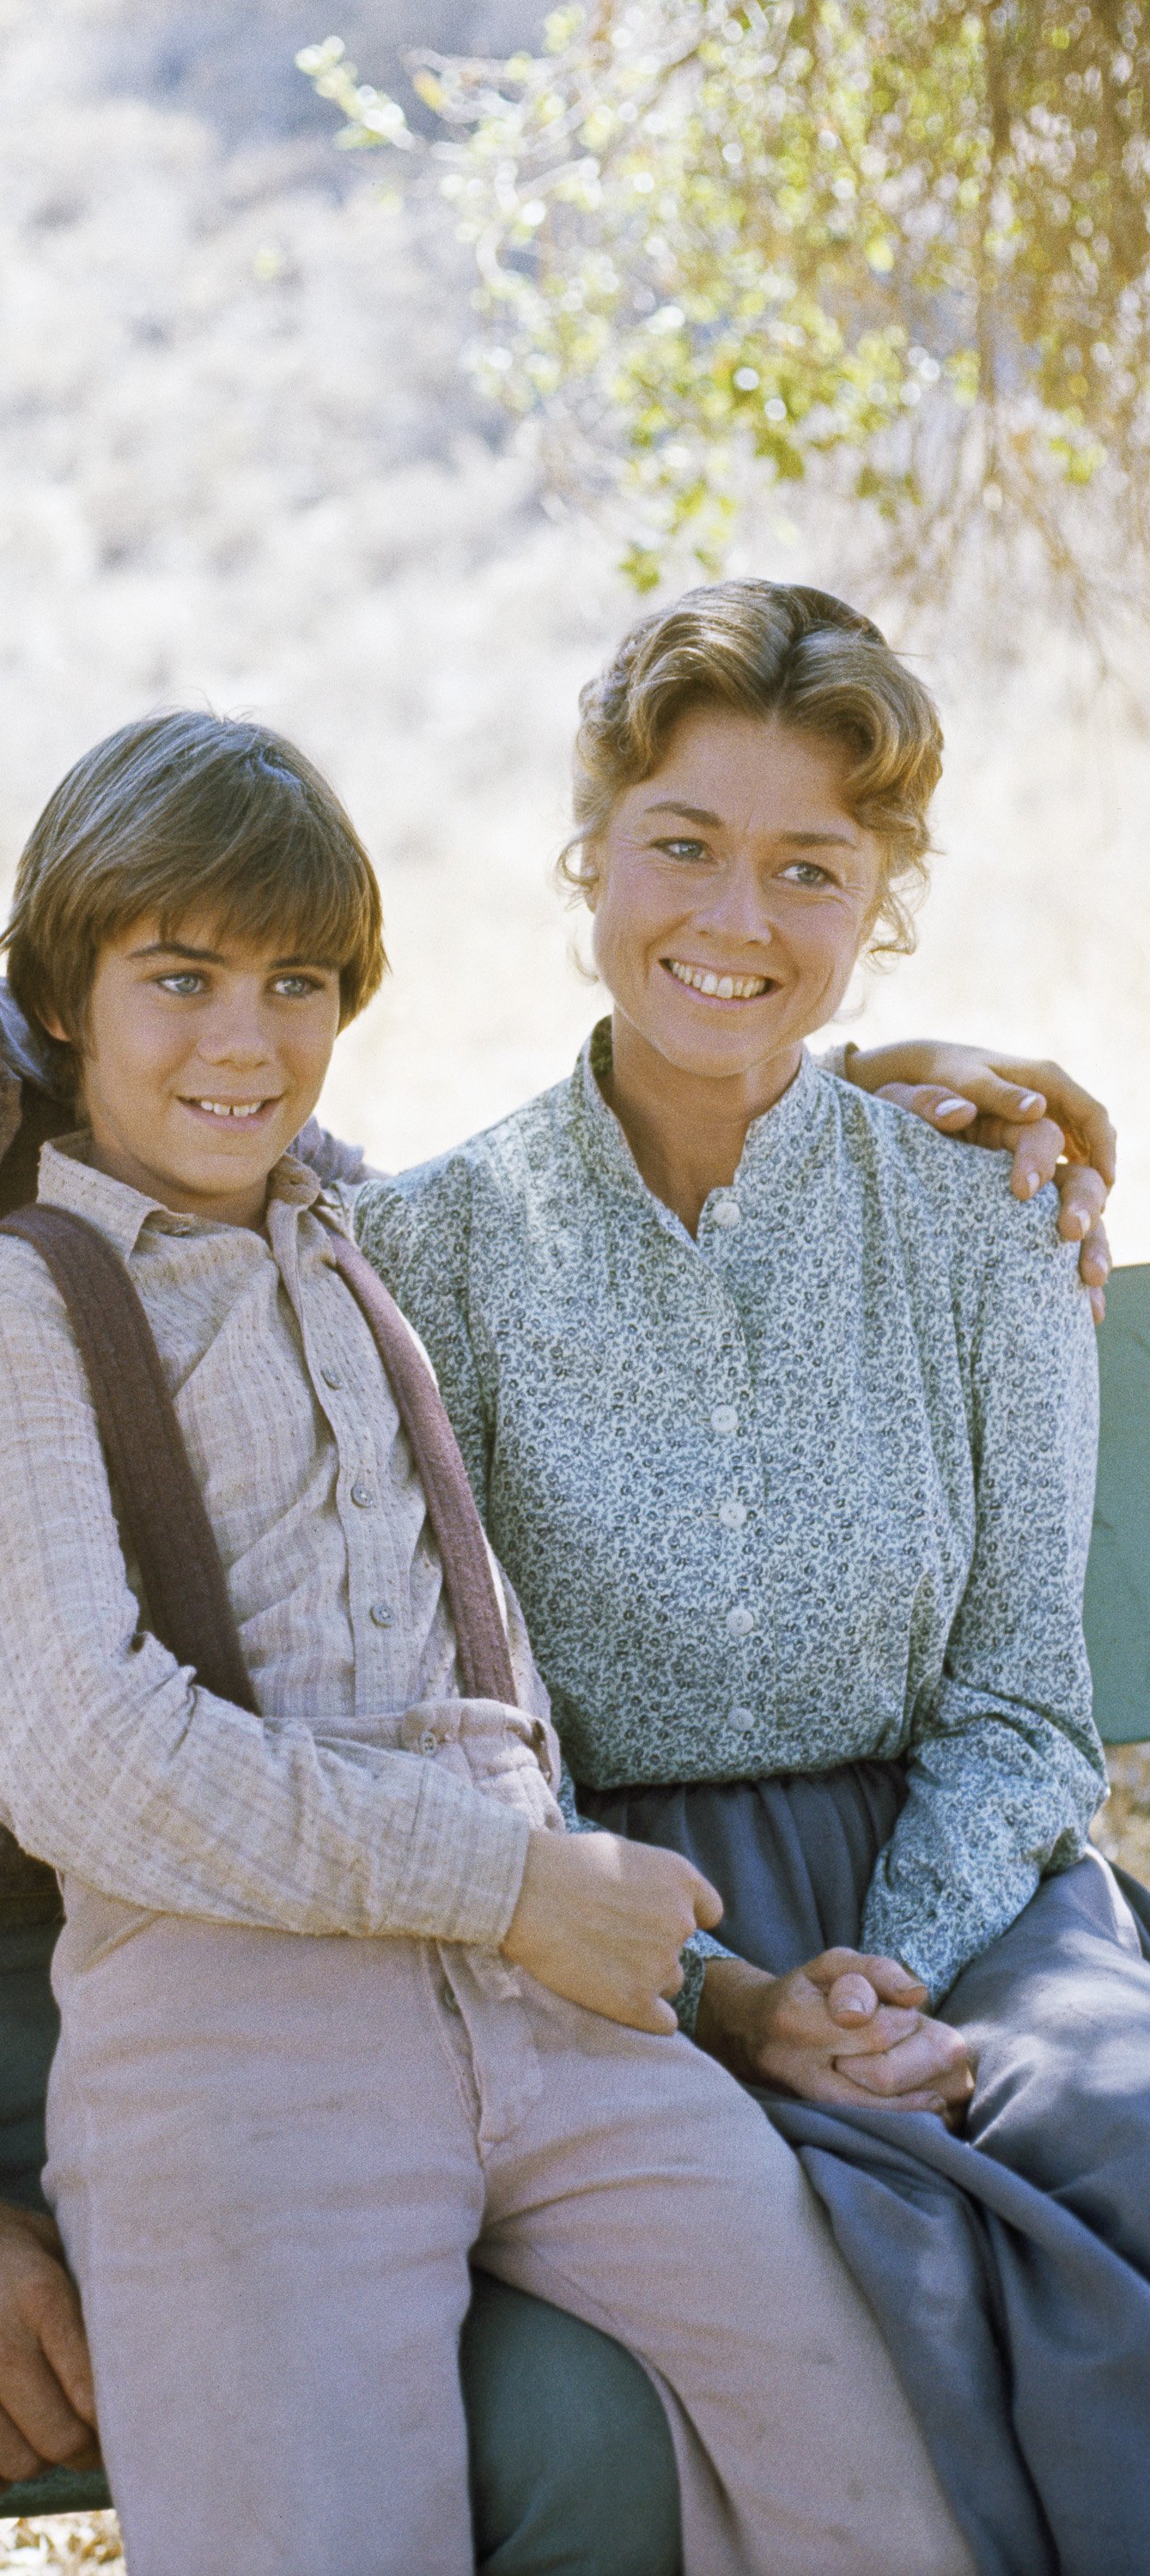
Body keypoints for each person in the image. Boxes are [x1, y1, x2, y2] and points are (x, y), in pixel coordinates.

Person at [0, 507, 1108, 2576]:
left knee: (602, 2438)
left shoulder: (201, 1129)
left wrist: (826, 1092)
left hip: (277, 1963)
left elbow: (534, 1280)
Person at [0, 708, 980, 2576]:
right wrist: (504, 1888)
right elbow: (84, 1748)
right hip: (242, 2049)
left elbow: (636, 1179)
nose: (247, 1041)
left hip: (558, 2016)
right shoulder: (21, 1310)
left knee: (870, 2473)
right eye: (181, 979)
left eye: (297, 983)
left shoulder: (361, 1245)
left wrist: (716, 1994)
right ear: (63, 996)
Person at [355, 580, 1150, 2569]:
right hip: (615, 1936)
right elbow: (465, 1733)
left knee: (1122, 2160)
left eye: (811, 870)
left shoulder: (986, 1221)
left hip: (972, 1893)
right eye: (684, 848)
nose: (734, 921)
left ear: (880, 903)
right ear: (590, 853)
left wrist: (886, 1968)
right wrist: (731, 1996)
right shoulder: (434, 1254)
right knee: (809, 2275)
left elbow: (1026, 1707)